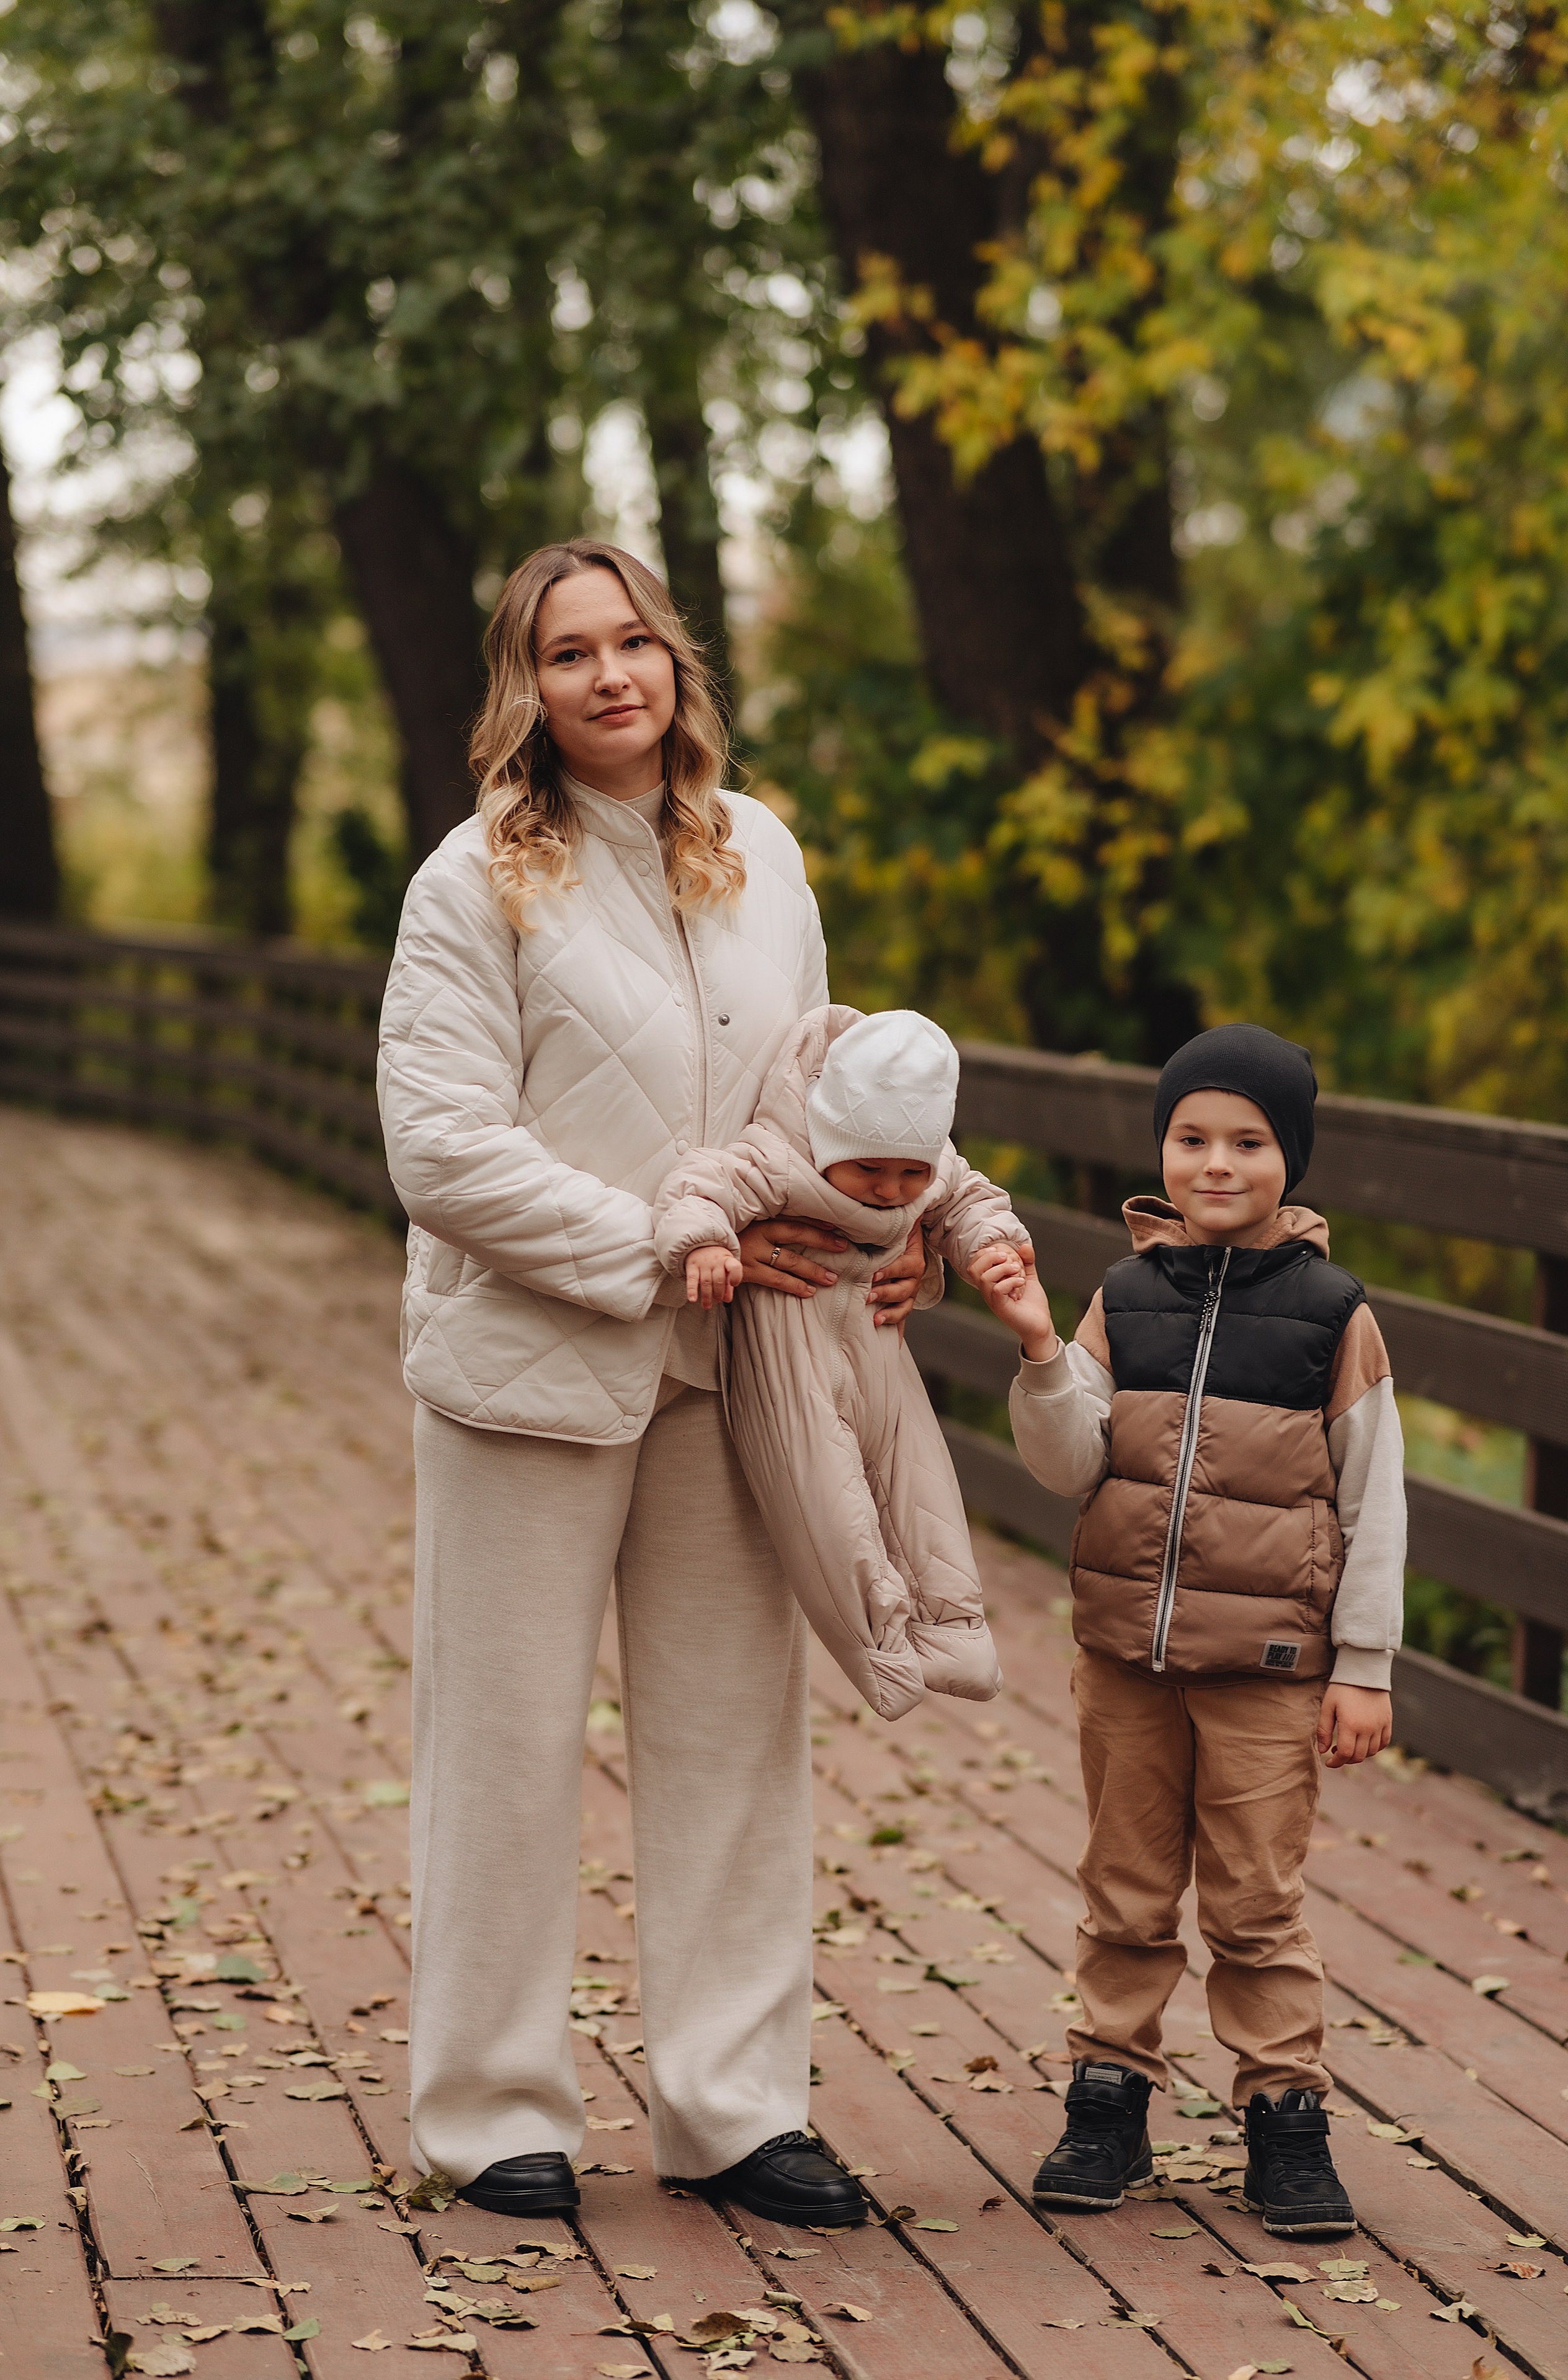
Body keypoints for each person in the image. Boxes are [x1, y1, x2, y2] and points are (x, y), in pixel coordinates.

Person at [378, 539, 927, 2231]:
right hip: (530, 1367)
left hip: (734, 1366)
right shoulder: (473, 882)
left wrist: (874, 1219)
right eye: (568, 653)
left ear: (676, 660)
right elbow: (442, 1149)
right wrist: (664, 1243)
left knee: (735, 1741)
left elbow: (821, 1084)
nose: (611, 675)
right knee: (508, 1744)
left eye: (635, 643)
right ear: (521, 687)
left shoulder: (761, 848)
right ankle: (490, 2111)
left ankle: (735, 2108)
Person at [969, 1024, 1405, 2239]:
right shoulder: (1121, 1295)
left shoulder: (1333, 1313)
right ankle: (1107, 2091)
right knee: (1122, 1886)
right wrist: (1036, 1345)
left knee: (1257, 1897)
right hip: (1125, 1659)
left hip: (1270, 1668)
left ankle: (1282, 2111)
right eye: (1191, 1137)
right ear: (1161, 1145)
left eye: (1247, 1141)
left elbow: (1376, 1498)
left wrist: (1361, 1665)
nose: (1215, 1162)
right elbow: (1066, 1462)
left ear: (1290, 1157)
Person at [654, 1003, 1030, 1720]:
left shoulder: (931, 1170)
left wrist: (990, 1246)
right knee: (826, 1498)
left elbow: (968, 1197)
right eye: (869, 1169)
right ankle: (881, 1651)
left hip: (878, 1344)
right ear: (829, 1136)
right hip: (790, 1354)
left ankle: (957, 1633)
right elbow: (699, 1184)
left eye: (908, 1172)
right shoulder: (778, 1157)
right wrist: (703, 1243)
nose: (891, 1190)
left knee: (917, 1477)